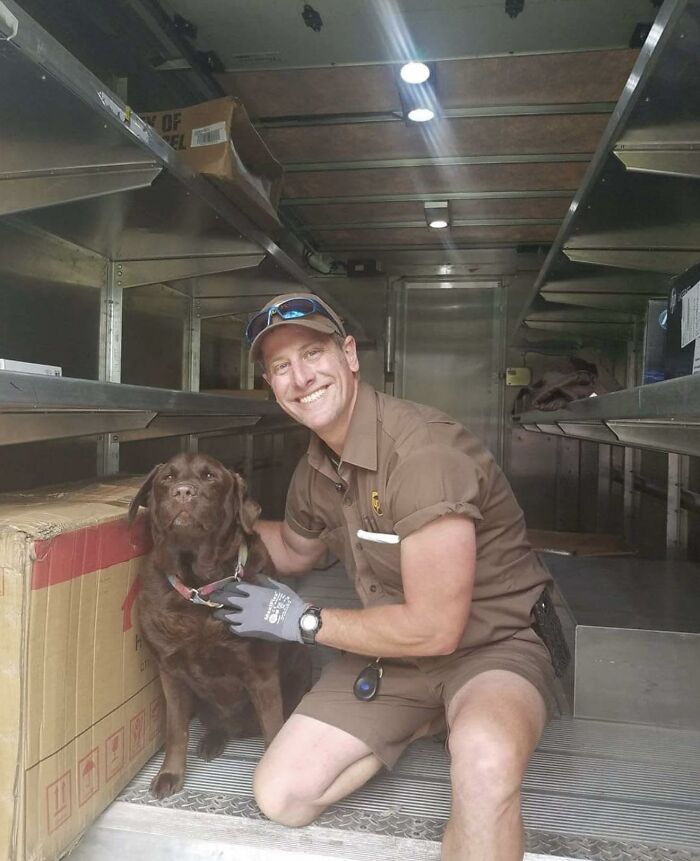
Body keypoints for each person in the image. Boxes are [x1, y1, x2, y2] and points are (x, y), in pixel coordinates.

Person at [211, 292, 566, 861]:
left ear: (349, 355)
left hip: (491, 647)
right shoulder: (315, 469)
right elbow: (298, 551)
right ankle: (425, 718)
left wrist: (299, 620)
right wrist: (213, 534)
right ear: (271, 385)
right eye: (281, 367)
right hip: (395, 655)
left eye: (312, 353)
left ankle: (465, 725)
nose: (300, 377)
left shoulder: (423, 454)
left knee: (483, 761)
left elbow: (435, 631)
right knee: (282, 794)